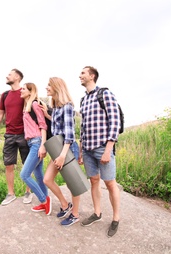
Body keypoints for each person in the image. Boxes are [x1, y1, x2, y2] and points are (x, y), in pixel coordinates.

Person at [78, 66, 121, 237]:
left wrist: (108, 149)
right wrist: (81, 151)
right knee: (94, 181)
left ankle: (116, 218)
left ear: (92, 75)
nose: (80, 75)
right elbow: (82, 127)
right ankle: (97, 213)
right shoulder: (83, 100)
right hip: (88, 149)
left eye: (83, 73)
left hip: (103, 147)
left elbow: (115, 121)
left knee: (110, 183)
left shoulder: (105, 94)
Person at [0, 69, 32, 206]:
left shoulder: (25, 93)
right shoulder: (5, 95)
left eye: (9, 74)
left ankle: (28, 191)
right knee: (8, 164)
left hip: (25, 135)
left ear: (17, 77)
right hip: (10, 135)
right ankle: (11, 194)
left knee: (27, 164)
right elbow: (0, 114)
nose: (7, 76)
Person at [41, 77, 80, 226]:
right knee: (47, 180)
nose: (46, 87)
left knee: (73, 184)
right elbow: (59, 125)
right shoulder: (57, 108)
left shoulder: (68, 107)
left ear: (57, 87)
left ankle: (75, 215)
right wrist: (48, 116)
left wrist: (63, 155)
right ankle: (65, 205)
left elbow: (69, 135)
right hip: (58, 149)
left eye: (49, 85)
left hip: (67, 149)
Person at [19, 82, 52, 215]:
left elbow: (43, 125)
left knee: (25, 175)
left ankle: (44, 200)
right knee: (38, 175)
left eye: (24, 89)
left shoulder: (34, 104)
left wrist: (43, 146)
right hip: (31, 142)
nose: (21, 90)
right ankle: (45, 203)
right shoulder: (26, 106)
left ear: (30, 91)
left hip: (37, 142)